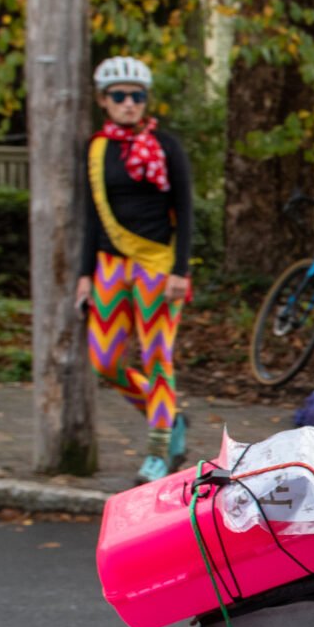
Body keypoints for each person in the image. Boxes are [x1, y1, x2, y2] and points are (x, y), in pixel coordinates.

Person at [74, 56, 194, 484]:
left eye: (136, 96)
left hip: (158, 266)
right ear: (103, 101)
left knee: (158, 357)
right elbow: (92, 214)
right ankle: (170, 414)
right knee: (104, 361)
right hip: (109, 265)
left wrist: (181, 271)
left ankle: (159, 449)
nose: (129, 104)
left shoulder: (166, 146)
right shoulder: (97, 149)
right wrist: (85, 274)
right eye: (119, 96)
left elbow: (185, 209)